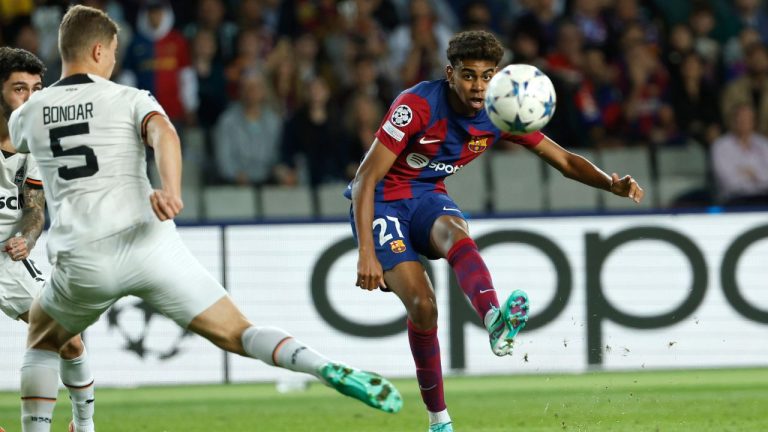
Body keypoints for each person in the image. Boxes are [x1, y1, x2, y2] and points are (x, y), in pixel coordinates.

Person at [10, 6, 402, 432]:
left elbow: (18, 151)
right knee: (238, 332)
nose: (116, 60)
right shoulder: (129, 97)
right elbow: (165, 133)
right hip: (150, 244)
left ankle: (63, 426)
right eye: (115, 52)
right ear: (100, 50)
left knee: (43, 340)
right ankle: (321, 366)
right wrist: (172, 190)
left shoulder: (27, 113)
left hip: (84, 259)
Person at [347, 30, 644, 432]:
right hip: (383, 200)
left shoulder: (501, 111)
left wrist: (610, 183)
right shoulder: (415, 106)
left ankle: (493, 320)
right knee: (423, 307)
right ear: (449, 73)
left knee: (456, 233)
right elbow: (366, 180)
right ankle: (439, 421)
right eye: (468, 75)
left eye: (487, 76)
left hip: (428, 195)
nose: (478, 86)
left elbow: (563, 160)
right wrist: (367, 250)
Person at [0, 46, 95, 432]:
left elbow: (35, 208)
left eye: (37, 89)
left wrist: (27, 236)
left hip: (8, 258)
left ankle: (83, 425)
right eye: (19, 89)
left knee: (67, 338)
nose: (31, 99)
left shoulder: (34, 143)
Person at [712, 103, 768, 205]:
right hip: (734, 200)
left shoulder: (764, 144)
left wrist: (749, 173)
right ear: (732, 121)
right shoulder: (720, 146)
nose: (744, 122)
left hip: (764, 196)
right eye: (740, 118)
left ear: (754, 121)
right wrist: (757, 176)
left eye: (747, 119)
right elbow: (729, 183)